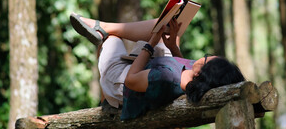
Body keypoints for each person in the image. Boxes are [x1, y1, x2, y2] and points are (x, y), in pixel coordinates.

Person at [70, 13, 245, 120]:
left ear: (201, 72)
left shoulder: (165, 80)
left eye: (207, 58)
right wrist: (173, 46)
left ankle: (103, 29)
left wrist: (152, 42)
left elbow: (131, 80)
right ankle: (104, 27)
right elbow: (180, 67)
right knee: (166, 27)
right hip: (150, 67)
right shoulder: (194, 77)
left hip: (120, 83)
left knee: (112, 39)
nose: (204, 56)